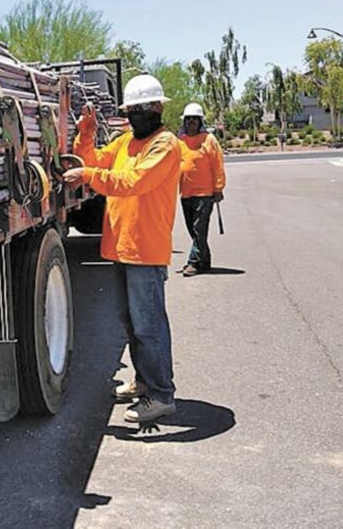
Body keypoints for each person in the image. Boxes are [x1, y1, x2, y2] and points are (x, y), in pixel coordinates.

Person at [63, 74, 182, 423]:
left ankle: (162, 395)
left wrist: (88, 177)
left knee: (149, 325)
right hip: (120, 247)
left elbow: (134, 182)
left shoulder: (165, 145)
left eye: (143, 109)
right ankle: (145, 382)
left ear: (158, 109)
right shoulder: (125, 142)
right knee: (129, 322)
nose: (137, 116)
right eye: (133, 110)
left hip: (145, 249)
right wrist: (85, 132)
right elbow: (94, 159)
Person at [177, 102, 226, 277]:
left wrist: (218, 188)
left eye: (194, 119)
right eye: (188, 119)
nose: (191, 122)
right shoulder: (180, 142)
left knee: (199, 228)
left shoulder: (209, 140)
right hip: (186, 193)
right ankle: (204, 260)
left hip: (205, 193)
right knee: (192, 229)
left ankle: (193, 262)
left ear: (200, 121)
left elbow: (217, 165)